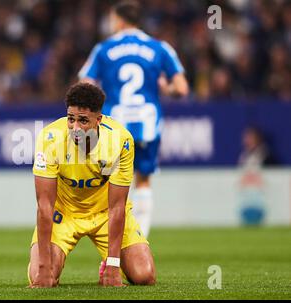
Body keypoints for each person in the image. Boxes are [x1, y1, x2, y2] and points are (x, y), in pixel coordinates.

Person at [79, 0, 189, 238]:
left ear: (119, 19)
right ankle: (141, 241)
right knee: (143, 182)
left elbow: (84, 86)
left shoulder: (104, 49)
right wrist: (165, 87)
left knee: (115, 183)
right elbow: (181, 89)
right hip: (148, 124)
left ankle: (115, 243)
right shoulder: (160, 48)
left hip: (114, 126)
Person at [28, 82, 156, 288]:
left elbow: (117, 207)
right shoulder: (49, 138)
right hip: (64, 214)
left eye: (83, 120)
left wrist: (114, 265)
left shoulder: (120, 141)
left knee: (144, 275)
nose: (75, 128)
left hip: (106, 212)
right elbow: (44, 206)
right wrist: (43, 268)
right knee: (42, 277)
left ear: (99, 119)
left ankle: (108, 262)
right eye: (71, 119)